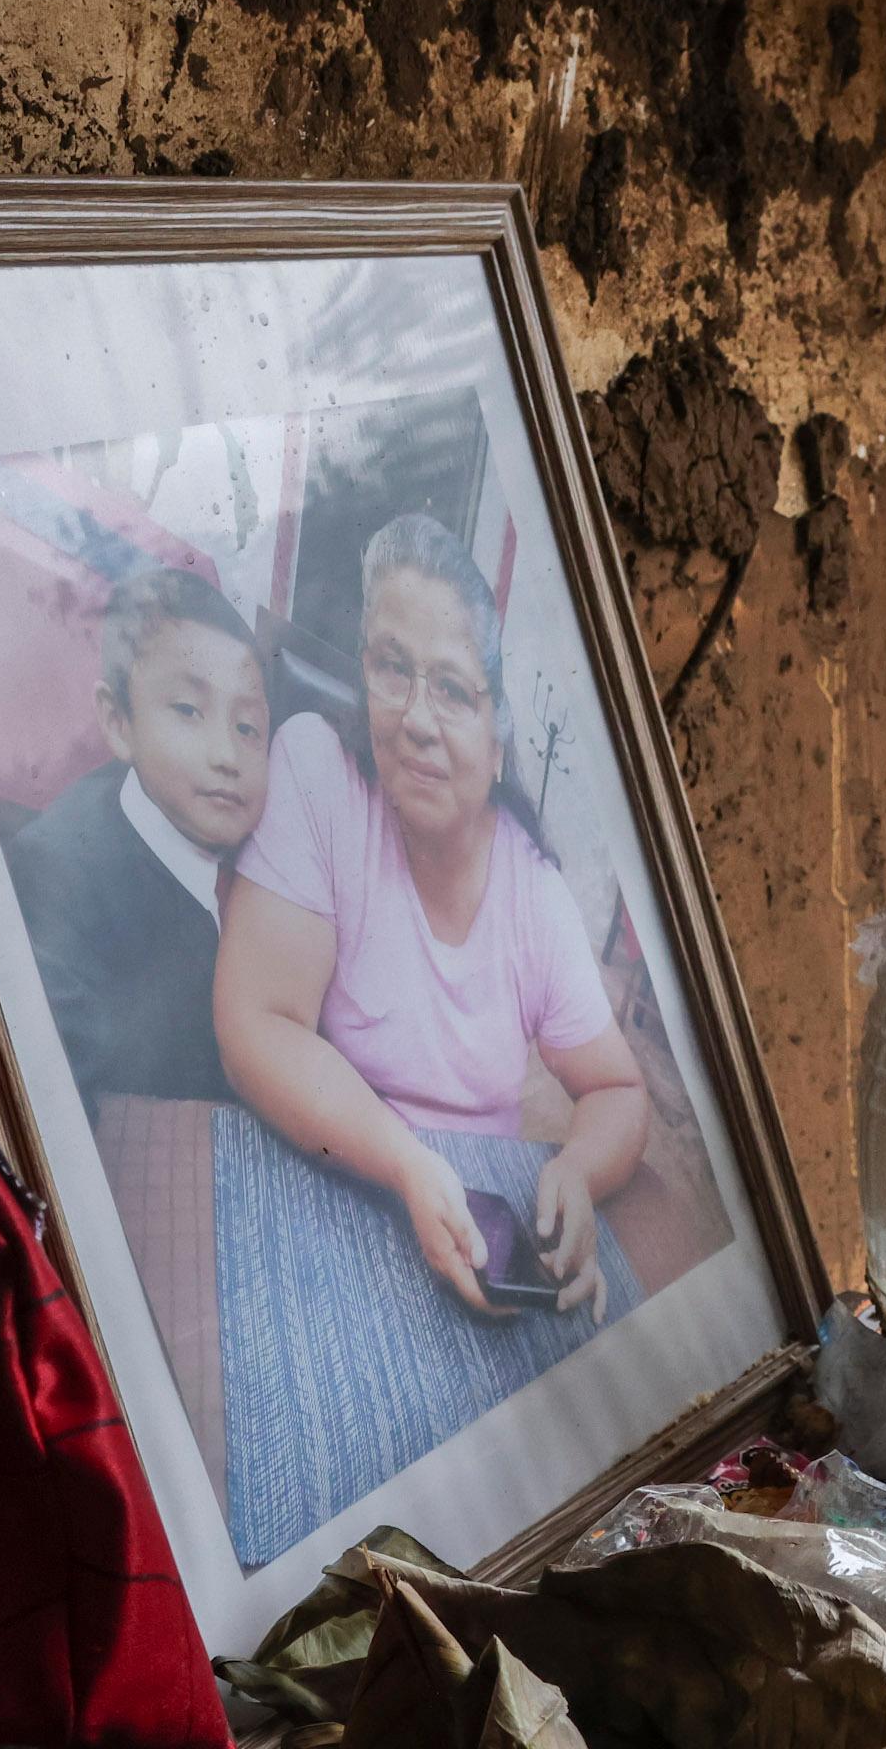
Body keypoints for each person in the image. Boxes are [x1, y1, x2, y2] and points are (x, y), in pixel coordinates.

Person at [215, 512, 649, 1320]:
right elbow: (256, 1027)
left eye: (451, 690)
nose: (415, 717)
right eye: (392, 668)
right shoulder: (320, 775)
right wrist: (407, 1165)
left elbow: (618, 1089)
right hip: (322, 1180)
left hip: (468, 1226)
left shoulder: (534, 898)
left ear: (497, 740)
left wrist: (576, 1173)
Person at [9, 564, 270, 1109]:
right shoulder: (57, 875)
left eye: (248, 727)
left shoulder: (265, 852)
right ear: (119, 722)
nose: (226, 756)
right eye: (188, 711)